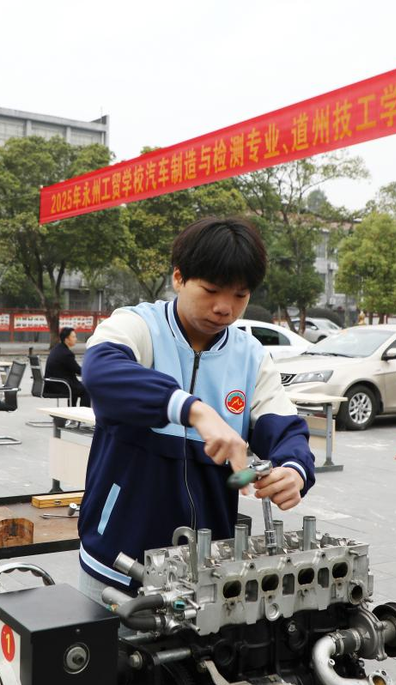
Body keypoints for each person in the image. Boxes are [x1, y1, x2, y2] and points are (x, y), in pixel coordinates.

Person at [77, 217, 316, 597]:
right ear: (178, 278)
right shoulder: (138, 326)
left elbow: (285, 426)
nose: (224, 308)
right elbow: (100, 371)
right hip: (116, 562)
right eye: (211, 290)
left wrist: (294, 468)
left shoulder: (250, 356)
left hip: (206, 569)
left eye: (240, 295)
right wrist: (193, 409)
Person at [45, 326, 90, 407]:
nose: (75, 339)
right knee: (87, 389)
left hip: (52, 383)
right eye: (73, 337)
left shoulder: (57, 349)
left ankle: (72, 410)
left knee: (78, 386)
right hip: (59, 385)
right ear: (66, 339)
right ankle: (83, 415)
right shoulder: (66, 354)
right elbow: (78, 370)